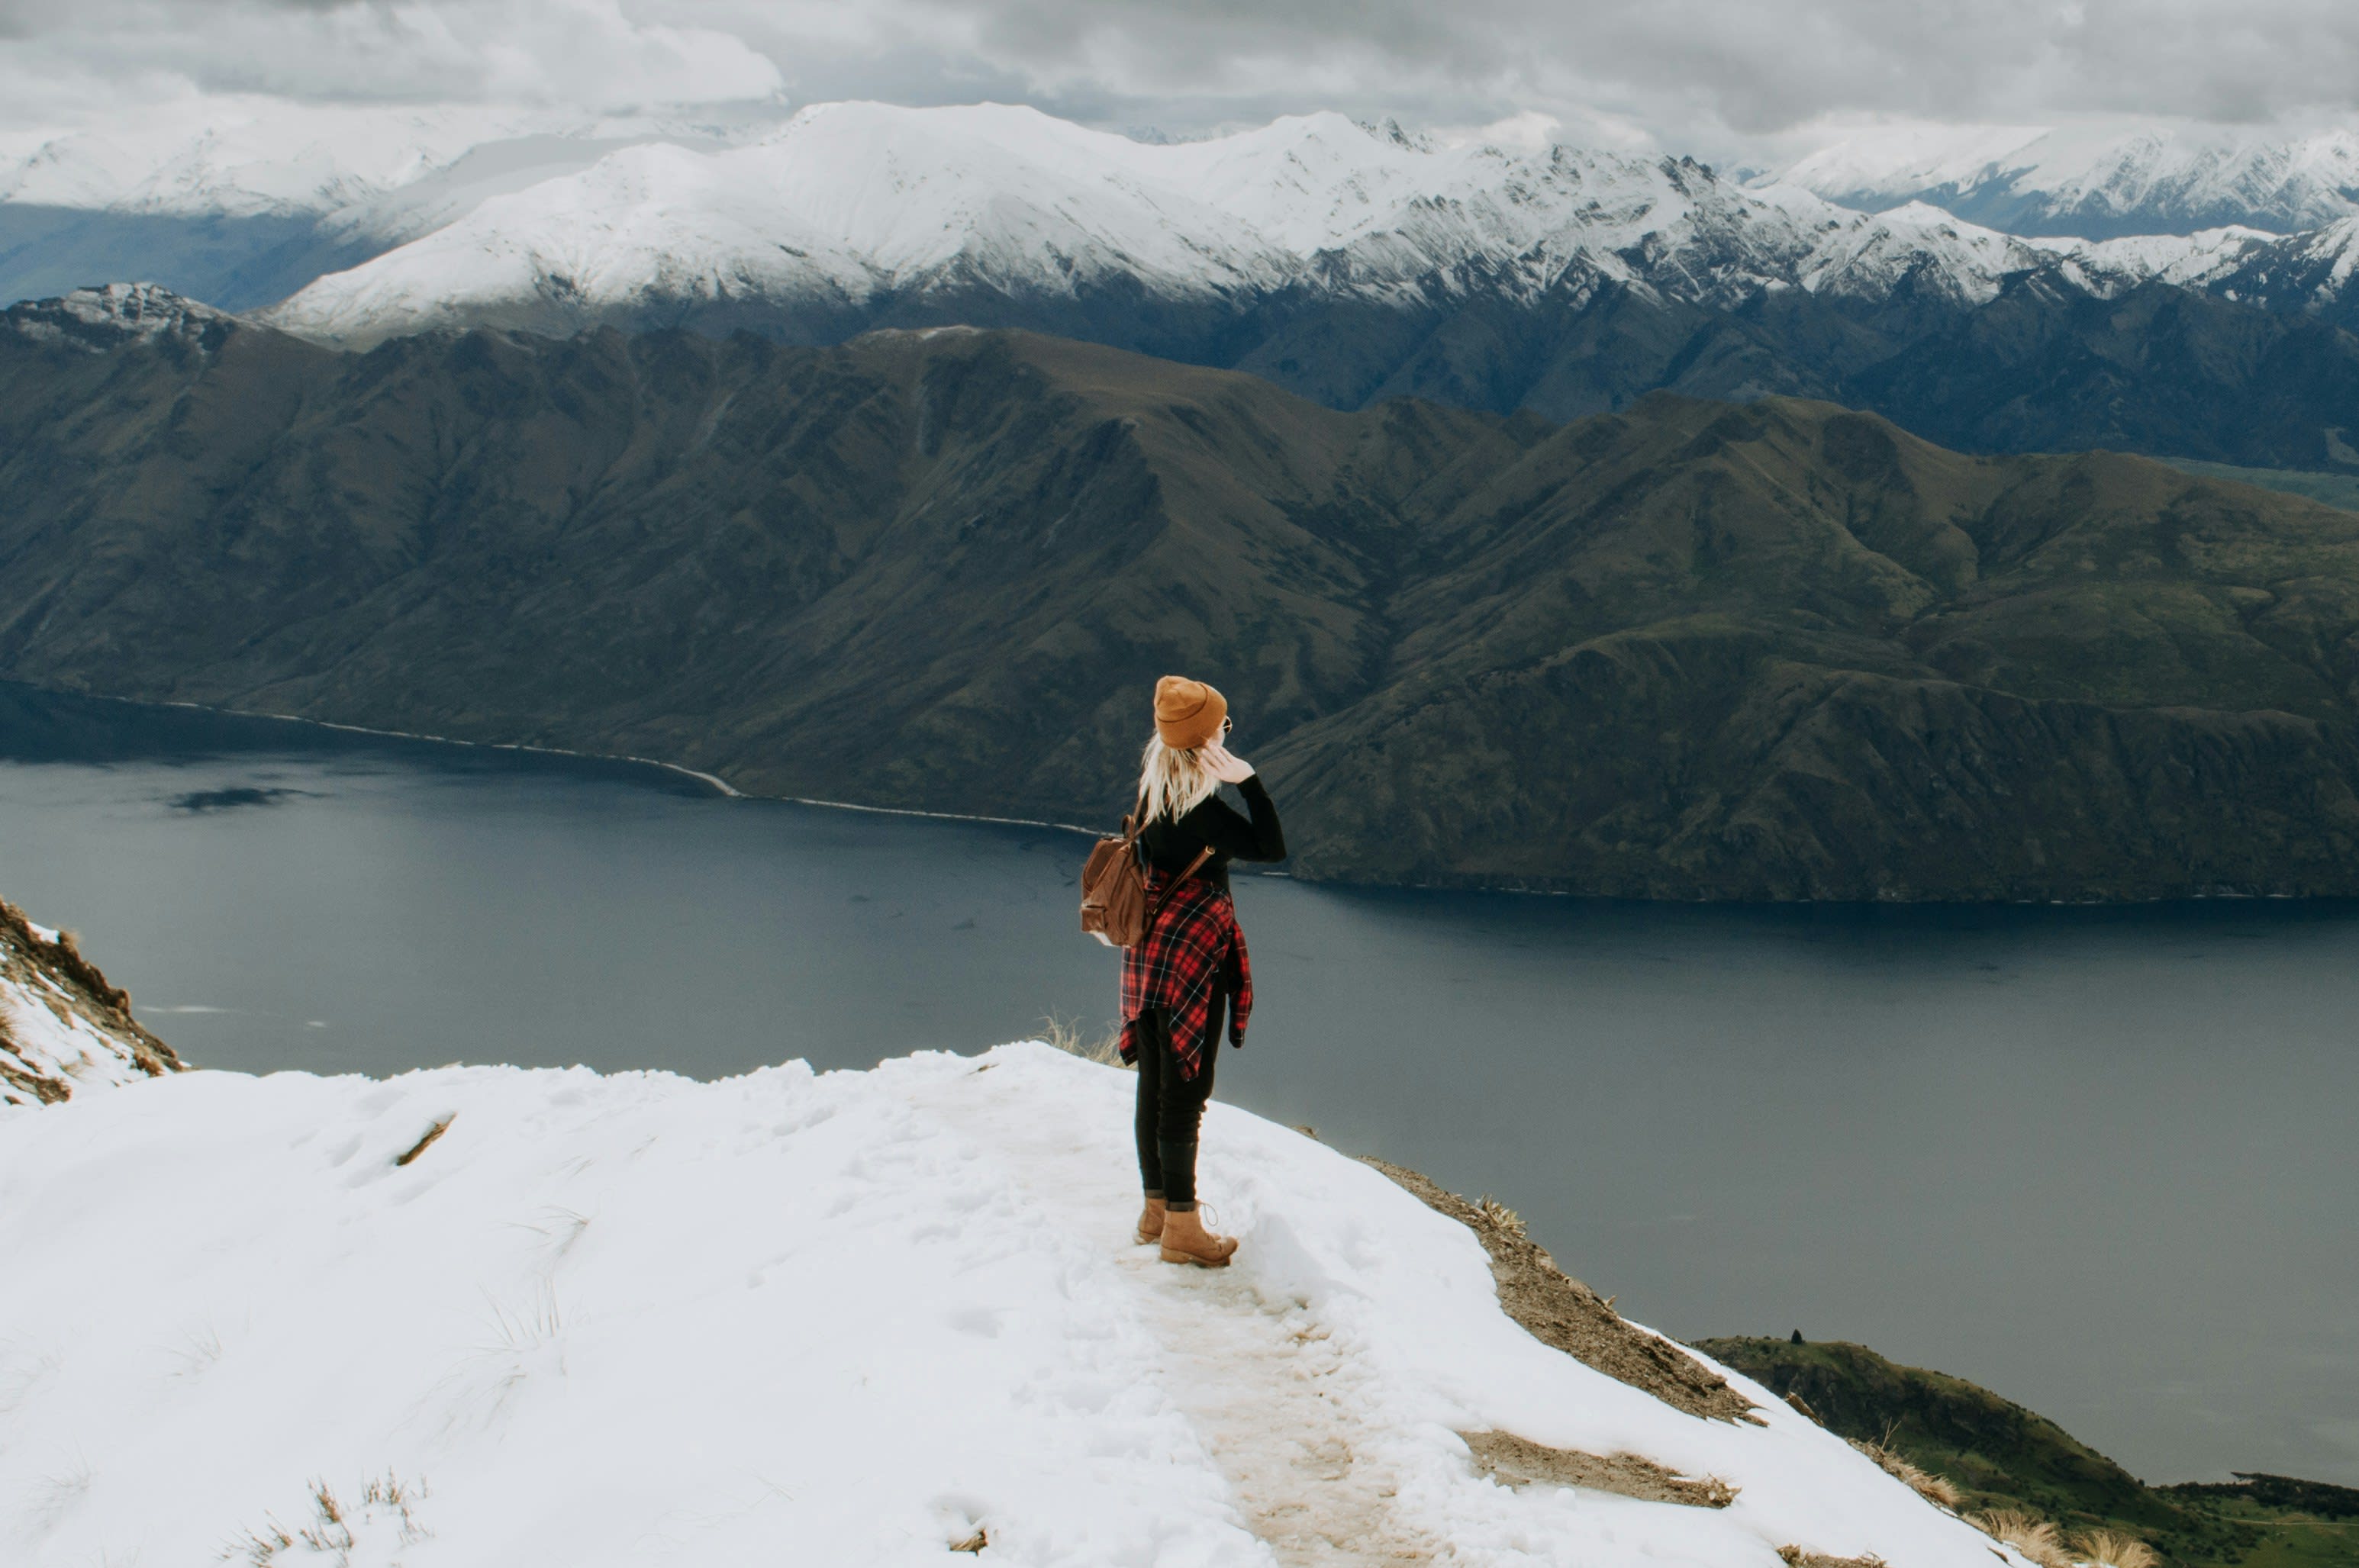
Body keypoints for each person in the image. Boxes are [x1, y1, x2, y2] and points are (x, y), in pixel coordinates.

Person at [1120, 675, 1285, 1267]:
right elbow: (1270, 846)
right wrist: (1251, 782)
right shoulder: (1202, 810)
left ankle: (1156, 1211)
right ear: (1203, 740)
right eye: (1222, 726)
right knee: (1186, 1091)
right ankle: (1184, 1230)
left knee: (1155, 1083)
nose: (1226, 730)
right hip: (1192, 954)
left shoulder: (1151, 794)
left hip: (1146, 954)